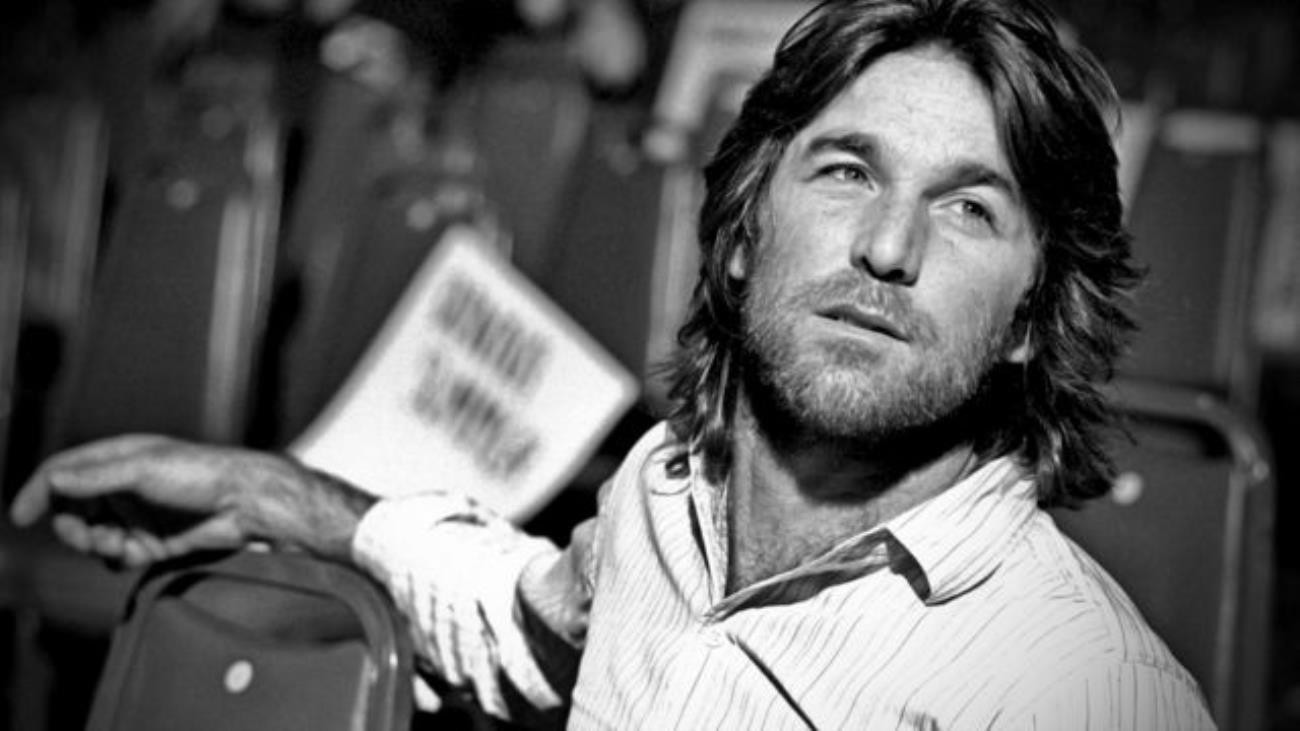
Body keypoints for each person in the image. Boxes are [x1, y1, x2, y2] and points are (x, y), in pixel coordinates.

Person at [11, 0, 1215, 727]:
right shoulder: (663, 497)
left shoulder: (1084, 691)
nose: (888, 246)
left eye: (968, 209)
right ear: (741, 232)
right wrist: (271, 494)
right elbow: (519, 615)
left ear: (1030, 316)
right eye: (847, 171)